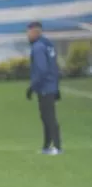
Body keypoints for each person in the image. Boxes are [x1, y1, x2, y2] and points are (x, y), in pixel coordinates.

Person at [26, 21, 62, 155]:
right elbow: (54, 66)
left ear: (35, 32)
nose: (27, 35)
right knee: (46, 117)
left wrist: (32, 87)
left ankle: (57, 146)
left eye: (29, 32)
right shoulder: (48, 44)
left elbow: (41, 69)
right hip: (51, 85)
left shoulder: (38, 47)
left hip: (45, 87)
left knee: (49, 117)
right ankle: (47, 146)